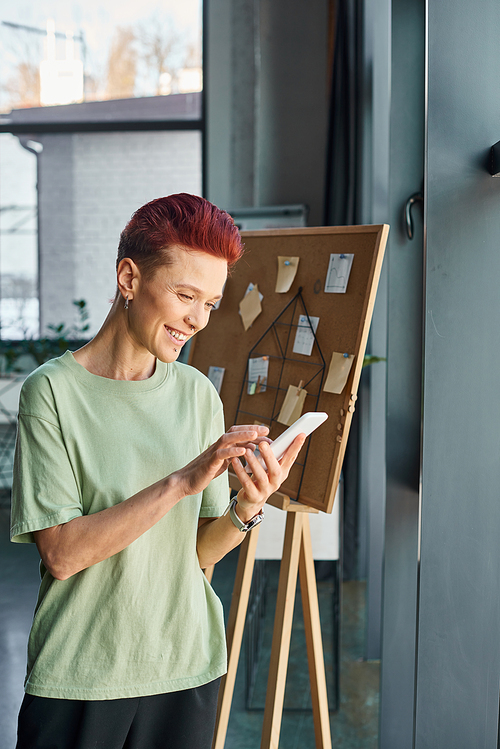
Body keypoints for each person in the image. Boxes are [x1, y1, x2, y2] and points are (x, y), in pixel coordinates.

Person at [10, 193, 306, 749]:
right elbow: (63, 553)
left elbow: (196, 552)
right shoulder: (51, 393)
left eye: (212, 304)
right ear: (129, 277)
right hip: (81, 676)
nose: (197, 320)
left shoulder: (196, 395)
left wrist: (246, 507)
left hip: (185, 669)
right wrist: (183, 480)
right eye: (185, 295)